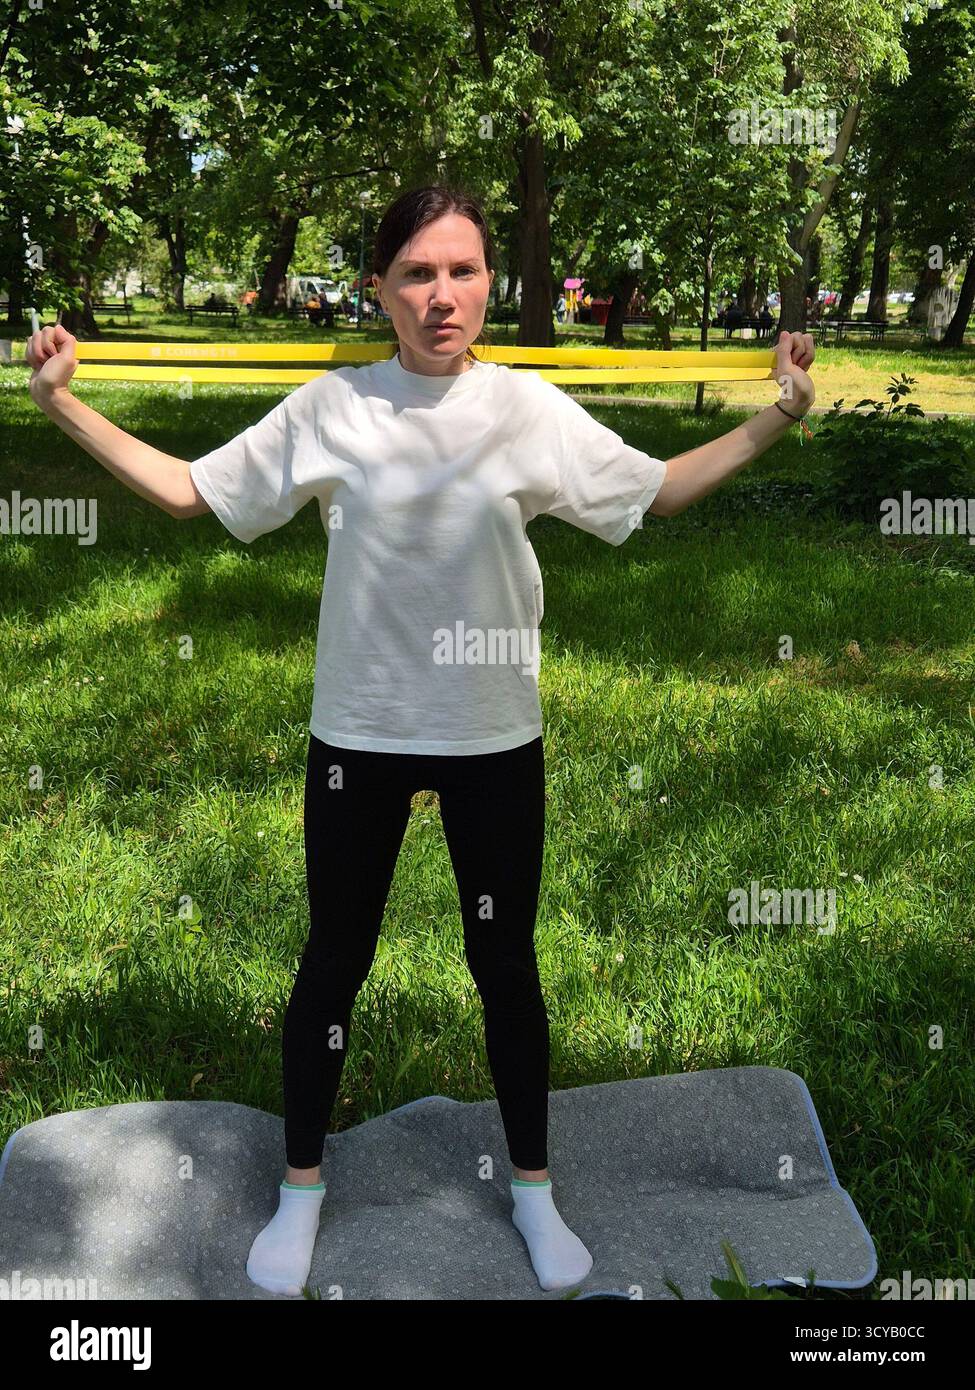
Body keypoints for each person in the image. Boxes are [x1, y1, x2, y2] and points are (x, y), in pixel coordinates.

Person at [24, 184, 816, 1299]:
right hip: (362, 734)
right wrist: (61, 406)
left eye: (464, 271)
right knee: (334, 960)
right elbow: (189, 494)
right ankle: (303, 1187)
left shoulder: (528, 410)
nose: (444, 296)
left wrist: (779, 413)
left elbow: (663, 491)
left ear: (492, 280)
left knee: (507, 969)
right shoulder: (331, 406)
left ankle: (533, 1192)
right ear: (380, 289)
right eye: (417, 274)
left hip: (493, 737)